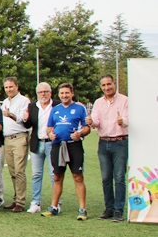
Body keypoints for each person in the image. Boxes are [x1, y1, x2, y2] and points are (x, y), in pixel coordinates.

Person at [42, 83, 90, 220]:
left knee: (78, 177)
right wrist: (50, 134)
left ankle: (82, 209)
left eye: (67, 93)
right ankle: (54, 207)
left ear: (72, 93)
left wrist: (79, 134)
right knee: (57, 177)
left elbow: (87, 128)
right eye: (62, 93)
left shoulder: (80, 108)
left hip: (74, 146)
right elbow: (49, 128)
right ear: (59, 95)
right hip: (57, 146)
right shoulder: (55, 109)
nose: (64, 95)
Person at [87, 74, 128, 222]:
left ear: (114, 83)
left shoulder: (125, 100)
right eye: (103, 85)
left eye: (109, 84)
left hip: (120, 142)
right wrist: (91, 122)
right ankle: (109, 209)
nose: (107, 87)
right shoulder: (98, 102)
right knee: (105, 178)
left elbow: (128, 119)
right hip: (103, 143)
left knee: (119, 178)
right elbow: (96, 121)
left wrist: (123, 121)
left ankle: (118, 210)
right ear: (101, 87)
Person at [22, 83, 57, 214]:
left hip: (53, 144)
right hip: (37, 144)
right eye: (40, 92)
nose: (43, 94)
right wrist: (25, 119)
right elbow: (28, 124)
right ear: (37, 94)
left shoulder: (57, 105)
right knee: (36, 174)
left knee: (54, 174)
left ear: (50, 92)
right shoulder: (32, 106)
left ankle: (56, 203)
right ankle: (35, 202)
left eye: (46, 91)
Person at [0, 77, 31, 213]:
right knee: (12, 171)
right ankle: (16, 198)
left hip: (19, 137)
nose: (8, 90)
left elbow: (23, 119)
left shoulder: (24, 101)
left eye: (11, 87)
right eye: (6, 87)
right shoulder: (6, 101)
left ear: (17, 86)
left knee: (19, 171)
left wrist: (10, 114)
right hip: (8, 139)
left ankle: (21, 202)